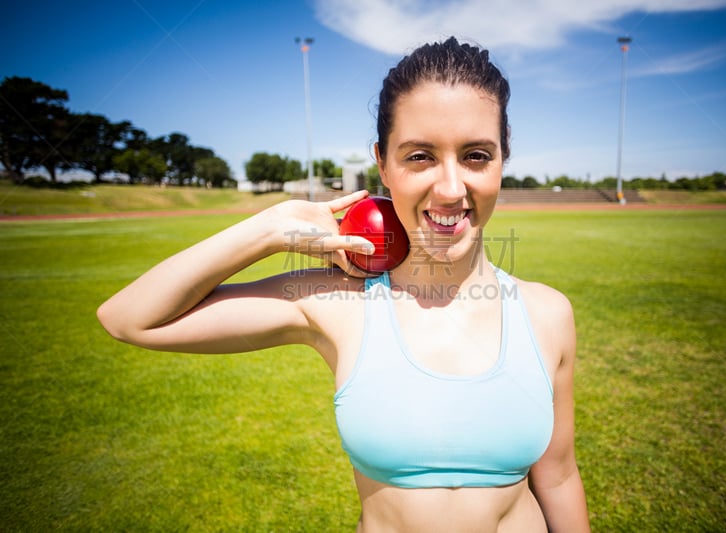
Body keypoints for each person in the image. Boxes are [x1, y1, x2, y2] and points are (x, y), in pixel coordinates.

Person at [98, 36, 590, 532]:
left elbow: (559, 479)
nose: (449, 188)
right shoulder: (336, 302)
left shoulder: (547, 313)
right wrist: (271, 228)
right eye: (419, 156)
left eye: (476, 155)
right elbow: (129, 319)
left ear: (504, 156)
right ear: (382, 162)